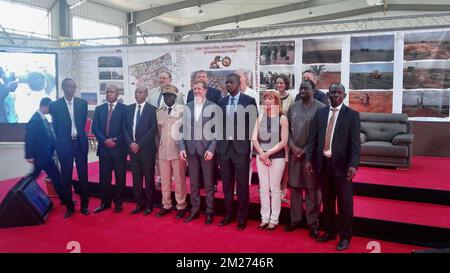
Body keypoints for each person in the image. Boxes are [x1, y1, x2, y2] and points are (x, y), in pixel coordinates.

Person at [305, 83, 361, 251]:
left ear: (344, 95)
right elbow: (312, 139)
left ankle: (345, 237)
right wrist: (308, 160)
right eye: (333, 92)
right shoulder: (320, 114)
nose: (336, 95)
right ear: (328, 95)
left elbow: (355, 144)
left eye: (339, 92)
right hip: (323, 165)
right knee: (327, 203)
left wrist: (354, 165)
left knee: (345, 205)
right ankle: (330, 231)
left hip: (343, 168)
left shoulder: (352, 115)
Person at [285, 80, 326, 239]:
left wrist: (306, 150)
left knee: (312, 190)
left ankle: (313, 223)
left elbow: (321, 135)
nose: (302, 90)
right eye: (300, 88)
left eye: (305, 88)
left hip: (312, 157)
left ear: (313, 90)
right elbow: (286, 130)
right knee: (294, 188)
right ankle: (295, 220)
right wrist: (294, 147)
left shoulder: (321, 108)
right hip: (295, 154)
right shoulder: (293, 107)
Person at [217, 73, 258, 231]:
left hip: (240, 150)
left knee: (242, 186)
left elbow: (253, 125)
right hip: (225, 150)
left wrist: (245, 142)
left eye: (231, 82)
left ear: (239, 83)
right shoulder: (221, 102)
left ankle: (242, 218)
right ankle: (228, 215)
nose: (228, 85)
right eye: (226, 82)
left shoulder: (249, 101)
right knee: (227, 185)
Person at [25, 97, 74, 218]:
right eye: (50, 108)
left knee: (34, 175)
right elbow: (29, 138)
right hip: (42, 156)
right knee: (57, 179)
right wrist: (29, 155)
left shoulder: (42, 118)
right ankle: (69, 205)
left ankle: (21, 189)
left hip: (45, 154)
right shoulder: (35, 120)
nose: (51, 110)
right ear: (45, 106)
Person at [179, 81, 219, 225]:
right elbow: (181, 130)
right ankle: (195, 210)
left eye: (199, 89)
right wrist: (182, 147)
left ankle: (209, 211)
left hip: (206, 151)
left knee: (208, 184)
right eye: (194, 89)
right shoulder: (187, 107)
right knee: (194, 183)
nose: (197, 91)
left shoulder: (213, 107)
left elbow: (217, 131)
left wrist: (211, 149)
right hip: (191, 150)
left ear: (205, 90)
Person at [49, 78, 90, 216]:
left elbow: (82, 123)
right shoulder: (54, 106)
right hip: (64, 145)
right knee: (66, 177)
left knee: (83, 176)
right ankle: (69, 207)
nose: (72, 89)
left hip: (79, 143)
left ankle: (85, 206)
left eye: (74, 86)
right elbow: (55, 127)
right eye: (70, 86)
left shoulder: (82, 104)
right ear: (63, 87)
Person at [251, 91, 288, 231]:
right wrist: (262, 153)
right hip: (261, 156)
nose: (267, 101)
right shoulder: (260, 117)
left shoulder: (282, 118)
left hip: (277, 157)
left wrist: (268, 154)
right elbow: (254, 138)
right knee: (264, 188)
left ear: (276, 101)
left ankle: (274, 219)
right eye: (265, 98)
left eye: (270, 99)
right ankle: (264, 218)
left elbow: (284, 141)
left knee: (275, 188)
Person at [92, 85, 127, 214]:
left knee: (120, 177)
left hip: (119, 149)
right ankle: (105, 203)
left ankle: (118, 203)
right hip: (104, 149)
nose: (109, 94)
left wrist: (116, 141)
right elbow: (95, 127)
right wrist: (104, 140)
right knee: (104, 178)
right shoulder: (99, 109)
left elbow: (126, 129)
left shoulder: (124, 109)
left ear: (118, 94)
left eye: (112, 92)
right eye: (107, 92)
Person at [124, 86, 158, 216]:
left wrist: (139, 144)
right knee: (136, 178)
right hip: (132, 149)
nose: (137, 94)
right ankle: (139, 203)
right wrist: (130, 143)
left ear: (146, 94)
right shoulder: (129, 109)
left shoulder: (152, 110)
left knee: (149, 178)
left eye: (140, 92)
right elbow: (125, 128)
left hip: (147, 150)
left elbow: (152, 130)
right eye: (136, 92)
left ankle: (149, 205)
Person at [156, 84, 187, 219]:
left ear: (175, 97)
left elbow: (186, 130)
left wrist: (184, 149)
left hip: (177, 150)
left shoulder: (183, 110)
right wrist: (158, 149)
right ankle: (166, 204)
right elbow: (157, 132)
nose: (167, 98)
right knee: (165, 180)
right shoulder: (159, 111)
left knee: (180, 179)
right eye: (165, 96)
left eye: (169, 96)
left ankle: (181, 205)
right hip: (163, 150)